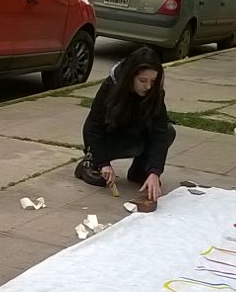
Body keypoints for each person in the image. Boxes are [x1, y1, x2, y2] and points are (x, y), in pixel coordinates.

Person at [74, 46, 176, 204]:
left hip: (134, 132)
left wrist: (155, 171)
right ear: (130, 76)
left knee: (169, 131)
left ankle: (140, 171)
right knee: (125, 152)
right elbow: (94, 126)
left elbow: (160, 131)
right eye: (142, 80)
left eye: (153, 81)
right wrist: (103, 163)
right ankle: (91, 161)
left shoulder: (154, 92)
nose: (148, 86)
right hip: (110, 136)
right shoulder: (111, 87)